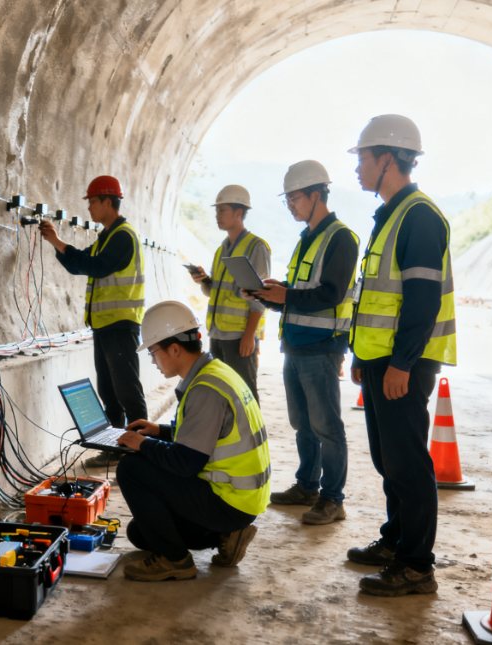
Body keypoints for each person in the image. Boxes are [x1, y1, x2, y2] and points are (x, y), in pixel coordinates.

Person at [345, 115, 457, 597]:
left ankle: (415, 565)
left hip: (402, 362)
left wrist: (402, 363)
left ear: (387, 159)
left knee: (408, 464)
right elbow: (375, 296)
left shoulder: (419, 216)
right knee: (388, 460)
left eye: (362, 158)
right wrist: (361, 354)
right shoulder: (390, 215)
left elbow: (421, 301)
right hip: (380, 359)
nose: (357, 168)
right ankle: (395, 540)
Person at [114, 301, 272, 581]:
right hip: (242, 498)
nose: (152, 360)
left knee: (131, 468)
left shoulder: (205, 389)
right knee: (139, 532)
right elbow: (208, 434)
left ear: (175, 349)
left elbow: (186, 463)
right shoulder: (217, 371)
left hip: (230, 500)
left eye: (153, 352)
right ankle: (226, 535)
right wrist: (160, 431)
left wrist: (142, 444)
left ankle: (176, 561)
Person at [247, 160, 359, 525]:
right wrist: (270, 294)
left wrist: (287, 295)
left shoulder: (341, 237)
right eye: (288, 200)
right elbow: (300, 294)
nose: (290, 205)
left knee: (327, 426)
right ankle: (308, 486)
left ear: (316, 195)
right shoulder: (307, 238)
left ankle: (333, 499)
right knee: (303, 423)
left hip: (322, 346)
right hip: (296, 344)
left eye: (294, 198)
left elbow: (330, 294)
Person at [39, 176, 147, 467]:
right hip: (105, 325)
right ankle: (116, 447)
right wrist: (55, 243)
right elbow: (80, 263)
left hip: (120, 324)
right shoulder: (107, 237)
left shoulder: (123, 236)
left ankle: (139, 449)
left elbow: (96, 267)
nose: (88, 207)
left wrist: (58, 241)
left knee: (127, 391)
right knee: (109, 391)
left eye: (92, 202)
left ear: (107, 202)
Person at [190, 185, 270, 403]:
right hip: (217, 334)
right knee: (223, 394)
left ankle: (253, 428)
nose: (217, 215)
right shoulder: (221, 250)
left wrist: (249, 335)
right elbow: (215, 292)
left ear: (239, 212)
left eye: (222, 210)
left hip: (239, 336)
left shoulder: (256, 247)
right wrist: (204, 280)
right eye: (216, 210)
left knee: (244, 395)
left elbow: (260, 297)